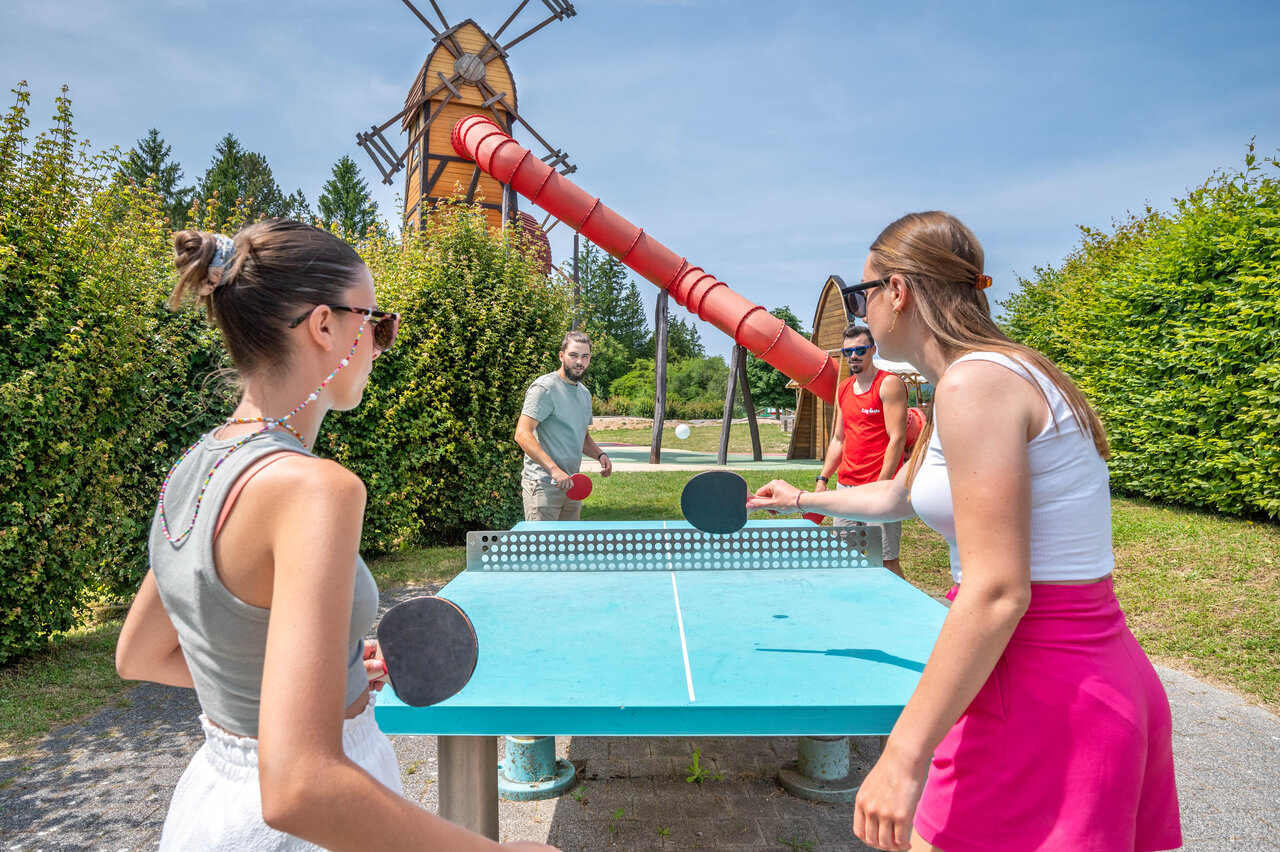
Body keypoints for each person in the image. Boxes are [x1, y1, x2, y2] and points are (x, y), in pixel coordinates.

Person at [115, 220, 558, 852]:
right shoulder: (316, 490)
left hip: (213, 806)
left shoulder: (198, 465)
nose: (380, 345)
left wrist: (331, 672)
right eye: (376, 324)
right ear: (325, 327)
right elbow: (301, 787)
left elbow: (141, 654)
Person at [748, 212, 1180, 852]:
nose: (859, 315)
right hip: (1081, 668)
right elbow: (902, 494)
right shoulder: (1001, 370)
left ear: (898, 291)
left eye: (862, 295)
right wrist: (802, 497)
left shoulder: (975, 384)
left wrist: (901, 754)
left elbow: (999, 589)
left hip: (1035, 680)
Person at [815, 323, 909, 577]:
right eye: (848, 352)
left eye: (860, 350)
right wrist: (823, 479)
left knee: (885, 562)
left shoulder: (889, 384)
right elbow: (838, 439)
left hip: (878, 487)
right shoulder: (843, 389)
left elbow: (897, 437)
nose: (853, 356)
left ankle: (901, 613)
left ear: (872, 350)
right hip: (845, 489)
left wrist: (882, 486)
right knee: (844, 559)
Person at [514, 330, 613, 521]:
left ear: (589, 359)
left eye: (585, 356)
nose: (579, 362)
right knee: (541, 550)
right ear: (561, 356)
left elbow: (582, 437)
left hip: (572, 485)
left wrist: (600, 455)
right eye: (573, 355)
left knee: (568, 549)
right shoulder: (545, 388)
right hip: (543, 483)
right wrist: (554, 470)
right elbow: (522, 433)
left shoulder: (584, 394)